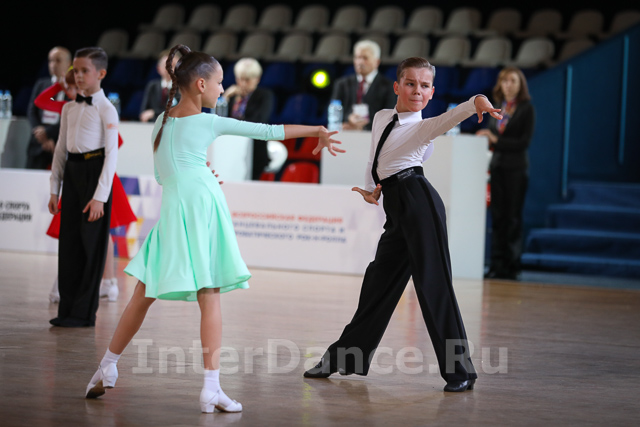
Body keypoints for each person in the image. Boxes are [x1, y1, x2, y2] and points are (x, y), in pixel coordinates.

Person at [84, 44, 344, 413]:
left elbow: (162, 175)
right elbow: (268, 131)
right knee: (210, 294)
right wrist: (317, 129)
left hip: (174, 207)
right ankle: (211, 388)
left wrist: (197, 173)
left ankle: (106, 366)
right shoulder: (208, 121)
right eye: (220, 82)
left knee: (143, 292)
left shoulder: (161, 121)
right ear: (201, 84)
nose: (223, 89)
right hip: (202, 206)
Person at [303, 57, 503, 393]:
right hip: (397, 206)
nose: (417, 91)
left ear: (432, 92)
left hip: (419, 203)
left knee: (433, 285)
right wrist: (372, 188)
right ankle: (344, 357)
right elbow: (375, 157)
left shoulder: (423, 128)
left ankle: (461, 372)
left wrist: (475, 102)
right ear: (397, 86)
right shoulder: (382, 117)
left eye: (425, 86)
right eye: (411, 84)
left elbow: (449, 118)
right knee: (377, 283)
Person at [36, 68, 137, 303]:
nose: (73, 91)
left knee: (100, 230)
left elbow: (116, 142)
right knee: (81, 230)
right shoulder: (69, 108)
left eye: (75, 86)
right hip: (78, 175)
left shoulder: (100, 108)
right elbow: (41, 102)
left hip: (98, 175)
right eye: (70, 88)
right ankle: (97, 283)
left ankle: (106, 282)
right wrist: (61, 85)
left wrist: (93, 158)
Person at [48, 47, 119, 327]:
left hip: (94, 173)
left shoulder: (106, 109)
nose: (78, 76)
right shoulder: (68, 108)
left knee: (91, 246)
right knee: (69, 244)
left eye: (84, 71)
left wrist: (100, 196)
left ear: (100, 74)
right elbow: (60, 150)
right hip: (73, 173)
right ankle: (66, 309)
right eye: (75, 71)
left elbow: (111, 155)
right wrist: (54, 189)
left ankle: (84, 313)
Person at [476, 67, 535, 280]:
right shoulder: (498, 107)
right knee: (498, 218)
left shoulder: (526, 109)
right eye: (505, 81)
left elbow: (523, 142)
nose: (508, 85)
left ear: (520, 85)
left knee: (512, 218)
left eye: (513, 81)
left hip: (516, 169)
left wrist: (496, 139)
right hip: (497, 167)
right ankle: (496, 265)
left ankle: (512, 265)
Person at [222, 57, 275, 180]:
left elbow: (260, 120)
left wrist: (234, 126)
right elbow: (220, 120)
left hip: (254, 150)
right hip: (232, 149)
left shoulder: (264, 95)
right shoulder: (232, 97)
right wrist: (224, 99)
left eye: (247, 80)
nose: (243, 83)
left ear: (257, 79)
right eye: (240, 79)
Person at [331, 40, 397, 131]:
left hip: (374, 133)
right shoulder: (342, 84)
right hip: (347, 132)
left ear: (377, 62)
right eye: (357, 57)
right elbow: (334, 113)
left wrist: (364, 125)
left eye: (365, 58)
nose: (360, 62)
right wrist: (349, 118)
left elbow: (389, 117)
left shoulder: (389, 86)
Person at [26, 46, 72, 169]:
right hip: (38, 141)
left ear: (68, 63)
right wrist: (41, 133)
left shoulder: (73, 88)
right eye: (51, 61)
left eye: (58, 60)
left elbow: (71, 116)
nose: (53, 65)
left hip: (60, 141)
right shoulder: (41, 84)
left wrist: (48, 132)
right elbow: (32, 110)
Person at [139, 50, 180, 123]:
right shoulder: (152, 86)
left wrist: (154, 113)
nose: (169, 69)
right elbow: (144, 113)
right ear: (158, 68)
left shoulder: (182, 88)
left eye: (173, 65)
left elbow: (178, 112)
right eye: (166, 65)